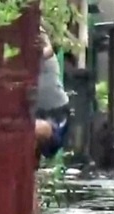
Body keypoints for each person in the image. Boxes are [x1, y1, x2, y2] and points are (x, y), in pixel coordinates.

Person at [34, 25, 70, 159]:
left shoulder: (41, 39)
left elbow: (49, 50)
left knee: (36, 130)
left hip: (56, 112)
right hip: (33, 109)